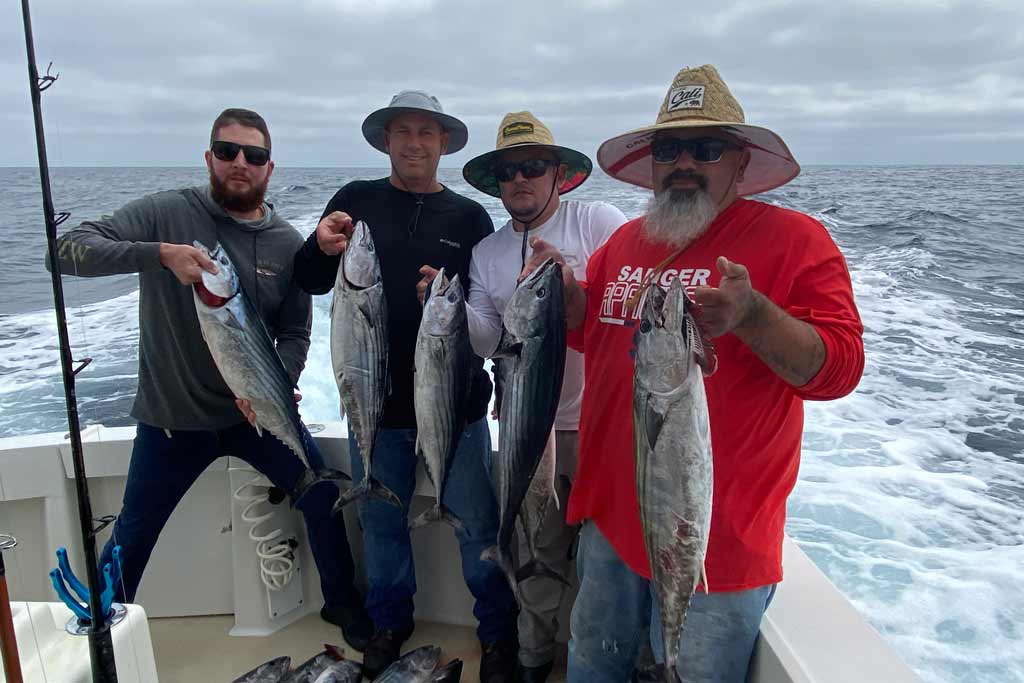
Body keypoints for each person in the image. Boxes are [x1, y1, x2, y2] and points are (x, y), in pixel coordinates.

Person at [523, 65, 866, 682]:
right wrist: (568, 298)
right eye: (669, 149)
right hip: (609, 525)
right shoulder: (625, 242)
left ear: (740, 164)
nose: (684, 162)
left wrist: (754, 315)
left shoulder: (796, 241)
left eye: (706, 149)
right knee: (591, 669)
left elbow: (838, 370)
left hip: (716, 545)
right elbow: (594, 335)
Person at [48, 108, 373, 650]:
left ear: (270, 168)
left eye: (254, 155)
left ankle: (342, 602)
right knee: (133, 533)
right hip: (171, 418)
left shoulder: (285, 243)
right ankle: (99, 628)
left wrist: (277, 380)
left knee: (319, 496)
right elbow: (64, 250)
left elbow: (296, 330)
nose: (239, 163)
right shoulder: (167, 213)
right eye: (227, 151)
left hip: (256, 415)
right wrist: (157, 255)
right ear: (209, 158)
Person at [292, 91, 519, 680]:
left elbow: (486, 310)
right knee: (382, 521)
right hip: (376, 405)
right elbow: (310, 280)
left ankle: (497, 634)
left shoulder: (470, 219)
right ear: (385, 141)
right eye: (403, 132)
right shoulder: (354, 202)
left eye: (426, 133)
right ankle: (390, 623)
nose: (414, 142)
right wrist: (318, 246)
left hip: (455, 404)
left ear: (443, 143)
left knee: (477, 523)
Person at [451, 111, 625, 682]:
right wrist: (448, 306)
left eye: (532, 167)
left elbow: (627, 304)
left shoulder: (599, 223)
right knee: (538, 551)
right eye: (508, 171)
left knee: (607, 560)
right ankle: (532, 655)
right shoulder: (486, 253)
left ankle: (603, 661)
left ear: (558, 175)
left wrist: (570, 283)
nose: (520, 180)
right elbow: (486, 339)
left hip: (604, 427)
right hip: (529, 425)